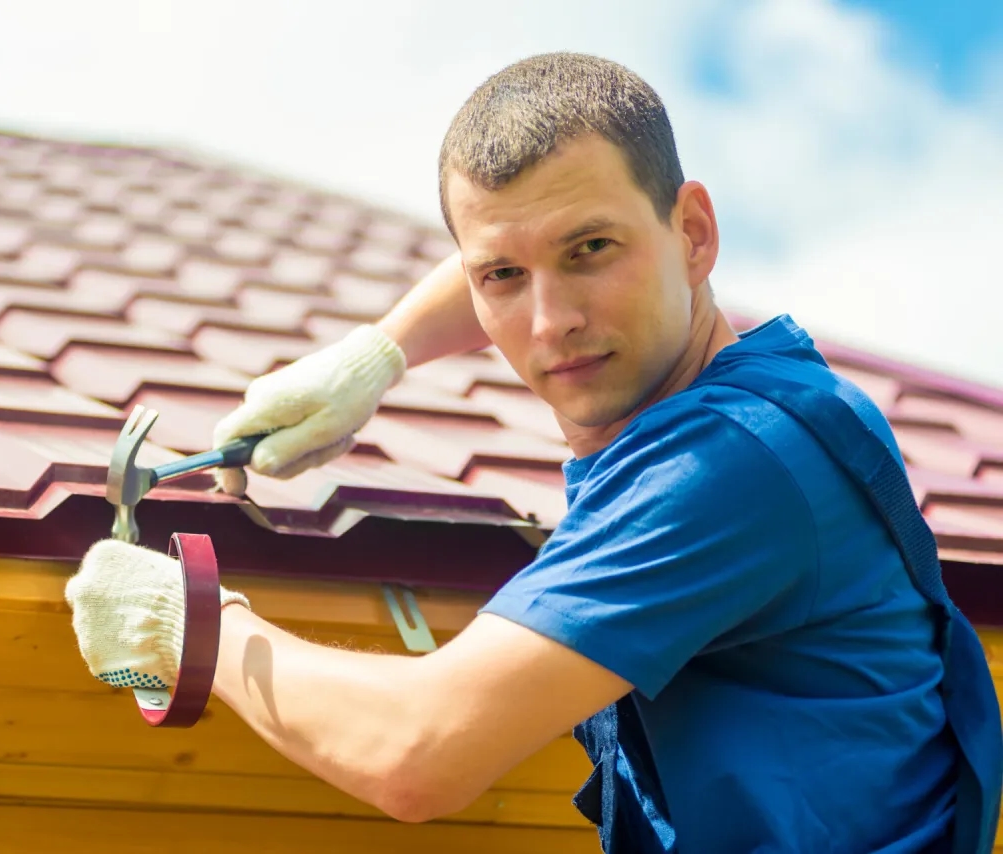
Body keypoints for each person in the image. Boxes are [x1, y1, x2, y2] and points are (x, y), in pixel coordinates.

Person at [64, 52, 1002, 852]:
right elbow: (530, 234)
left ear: (694, 234)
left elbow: (418, 754)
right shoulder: (770, 402)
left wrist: (191, 629)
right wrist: (377, 353)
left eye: (592, 250)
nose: (550, 321)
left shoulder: (729, 466)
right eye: (503, 279)